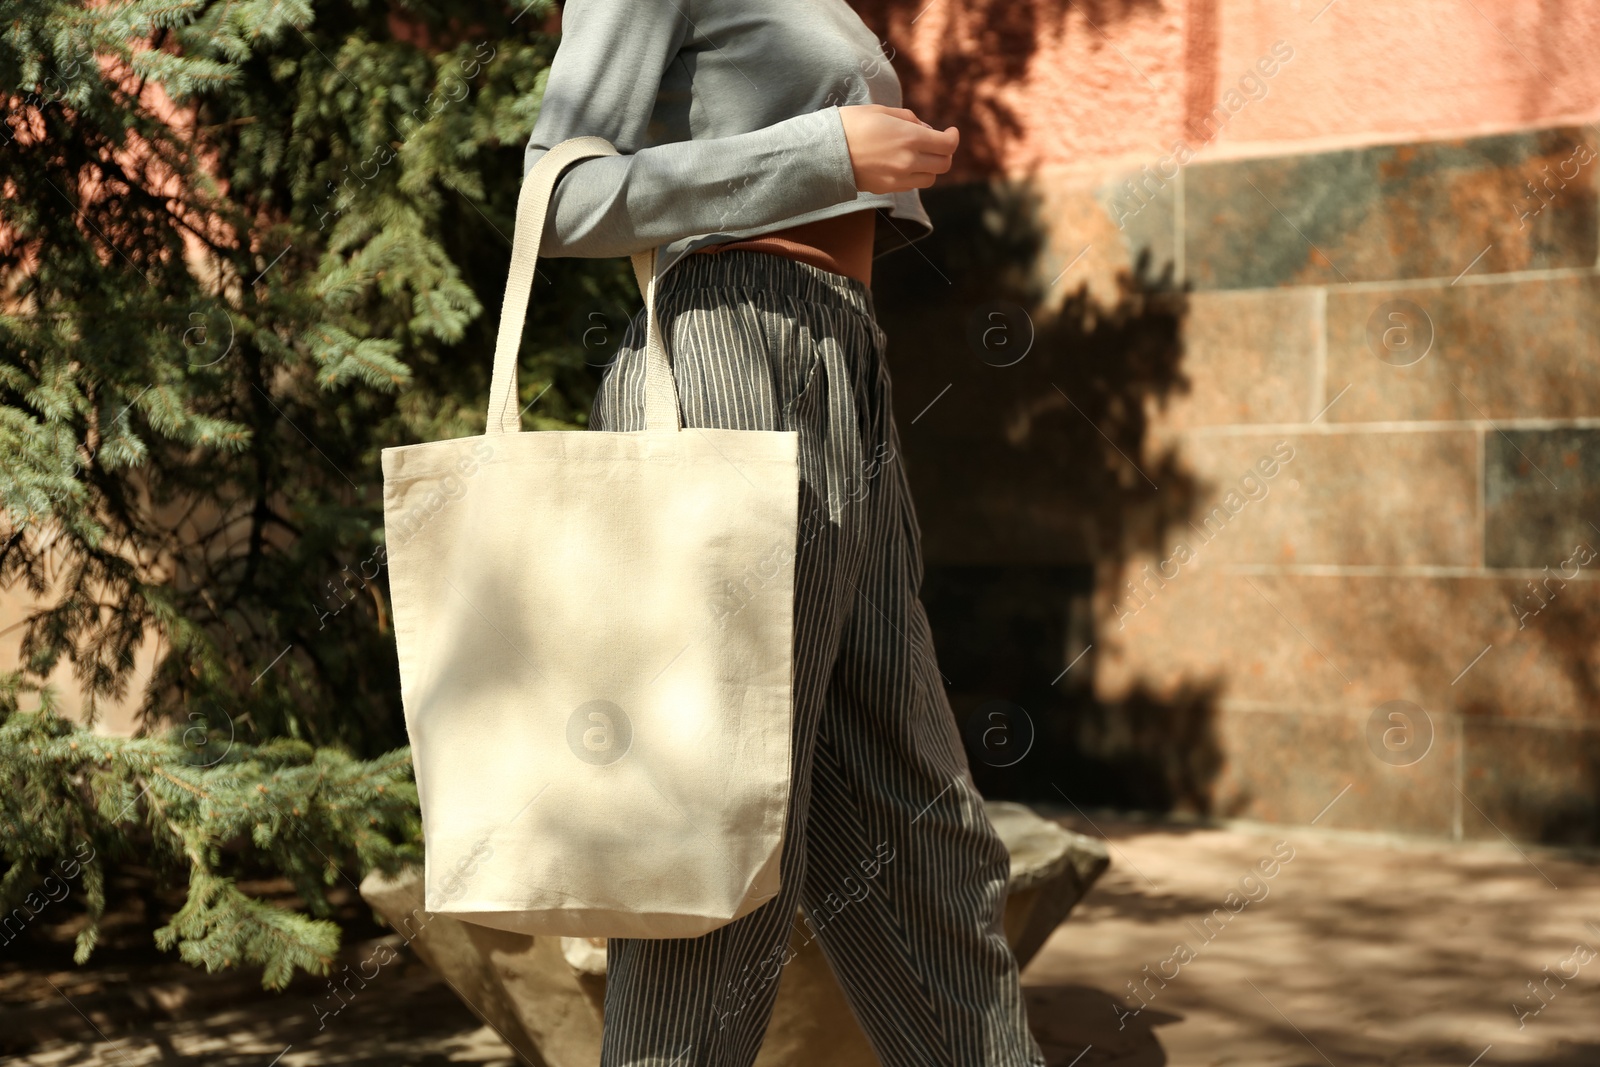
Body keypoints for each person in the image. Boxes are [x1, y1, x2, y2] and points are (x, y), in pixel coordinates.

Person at [524, 2, 1047, 1064]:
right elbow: (562, 196)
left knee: (925, 843)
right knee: (713, 847)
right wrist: (826, 150)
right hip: (726, 348)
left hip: (842, 356)